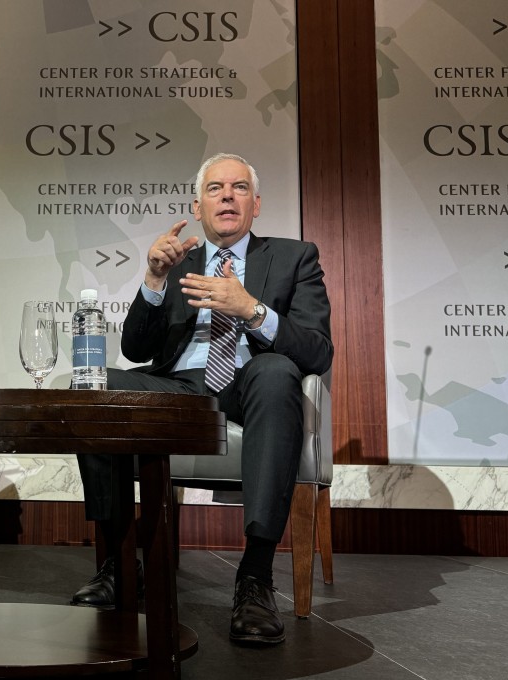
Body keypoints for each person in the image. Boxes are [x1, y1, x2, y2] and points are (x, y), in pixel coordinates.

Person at [72, 153, 333, 645]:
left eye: (238, 188)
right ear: (198, 204)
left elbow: (317, 351)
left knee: (278, 371)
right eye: (215, 188)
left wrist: (252, 310)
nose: (227, 196)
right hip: (180, 388)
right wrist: (152, 280)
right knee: (96, 383)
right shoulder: (179, 261)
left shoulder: (295, 257)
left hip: (249, 385)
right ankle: (118, 564)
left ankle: (255, 578)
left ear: (256, 204)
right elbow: (135, 349)